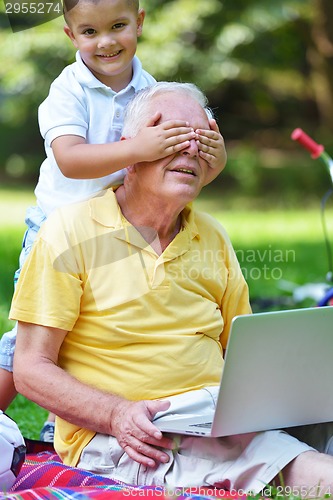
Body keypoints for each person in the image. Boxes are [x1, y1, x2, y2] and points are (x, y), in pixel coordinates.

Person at [11, 81, 333, 495]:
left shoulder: (212, 236)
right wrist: (117, 414)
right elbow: (30, 369)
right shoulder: (69, 232)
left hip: (217, 417)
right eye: (173, 137)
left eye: (201, 140)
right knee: (312, 472)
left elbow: (244, 352)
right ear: (131, 151)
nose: (190, 151)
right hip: (136, 436)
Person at [0, 0, 226, 442]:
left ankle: (61, 422)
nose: (105, 42)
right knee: (30, 340)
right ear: (70, 35)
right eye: (89, 32)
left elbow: (183, 163)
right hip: (57, 229)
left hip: (119, 226)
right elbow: (70, 159)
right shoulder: (69, 91)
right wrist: (139, 148)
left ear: (139, 24)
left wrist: (215, 158)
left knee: (98, 326)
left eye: (118, 26)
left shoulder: (151, 89)